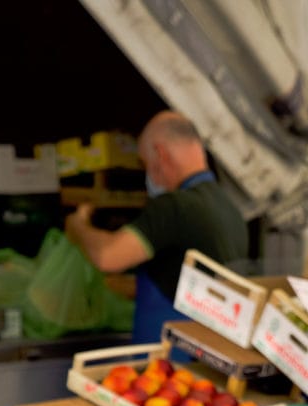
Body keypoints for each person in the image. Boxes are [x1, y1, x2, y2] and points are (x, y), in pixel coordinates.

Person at [65, 110, 249, 343]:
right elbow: (184, 282)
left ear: (160, 155)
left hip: (169, 362)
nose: (146, 174)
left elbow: (107, 256)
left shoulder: (174, 206)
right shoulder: (229, 209)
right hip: (205, 357)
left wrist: (78, 226)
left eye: (144, 163)